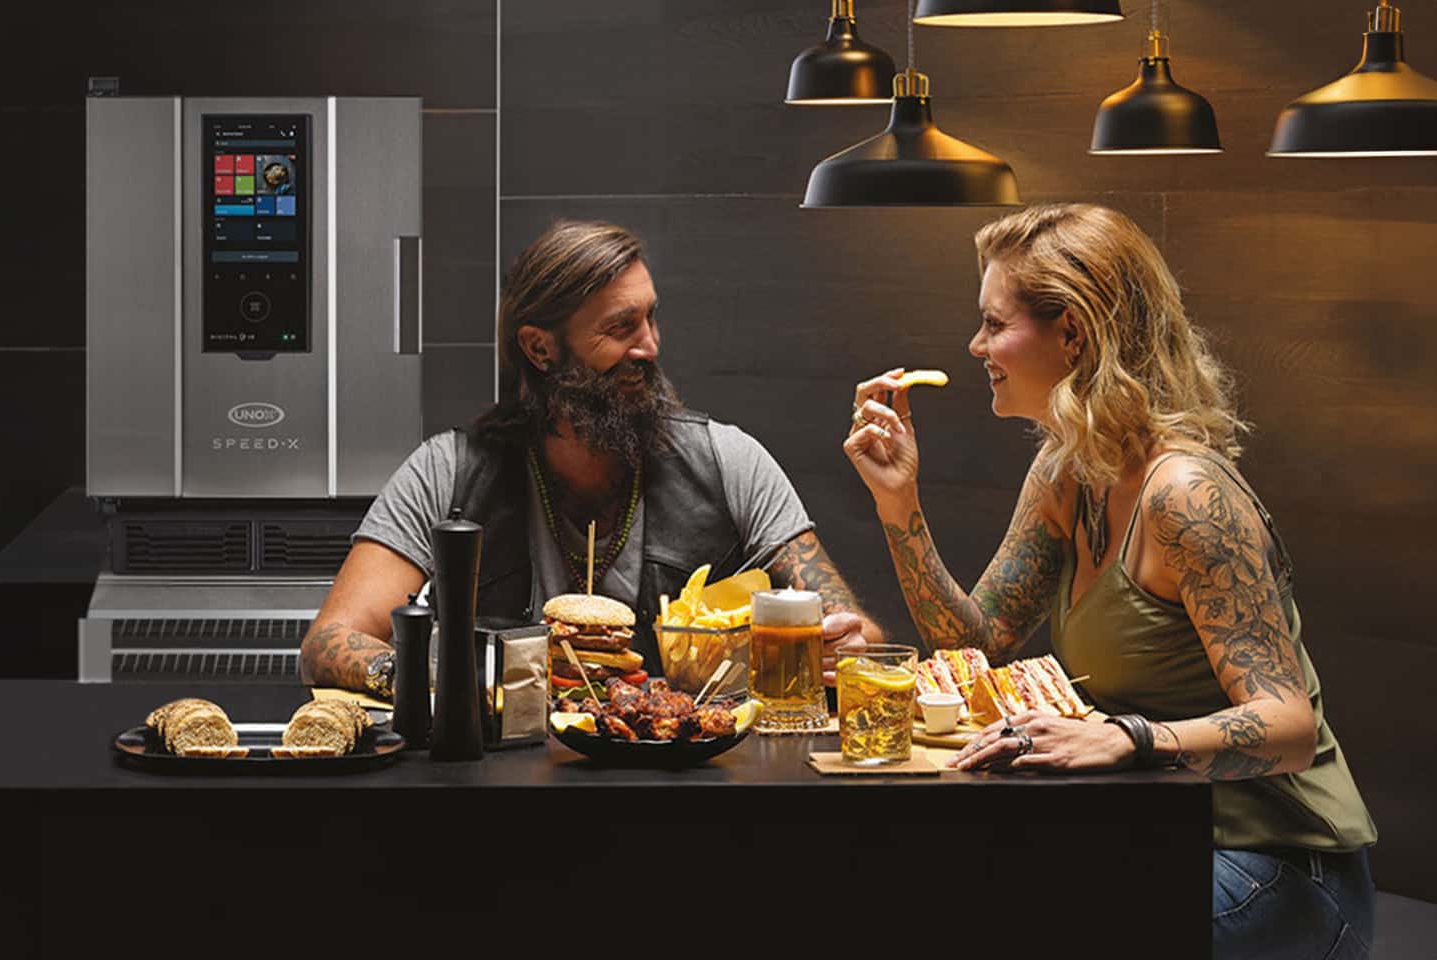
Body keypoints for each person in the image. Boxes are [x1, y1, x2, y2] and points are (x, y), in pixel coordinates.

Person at [844, 203, 1377, 959]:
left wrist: (1127, 738)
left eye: (995, 324)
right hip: (1155, 834)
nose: (976, 345)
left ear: (1073, 333)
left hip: (1281, 869)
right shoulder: (1068, 470)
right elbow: (973, 642)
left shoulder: (1187, 494)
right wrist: (899, 507)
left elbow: (1287, 728)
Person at [302, 218, 883, 699]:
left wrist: (843, 651)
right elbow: (329, 641)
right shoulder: (446, 470)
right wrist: (442, 679)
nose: (650, 347)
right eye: (621, 327)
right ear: (540, 347)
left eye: (651, 318)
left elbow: (861, 638)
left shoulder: (731, 461)